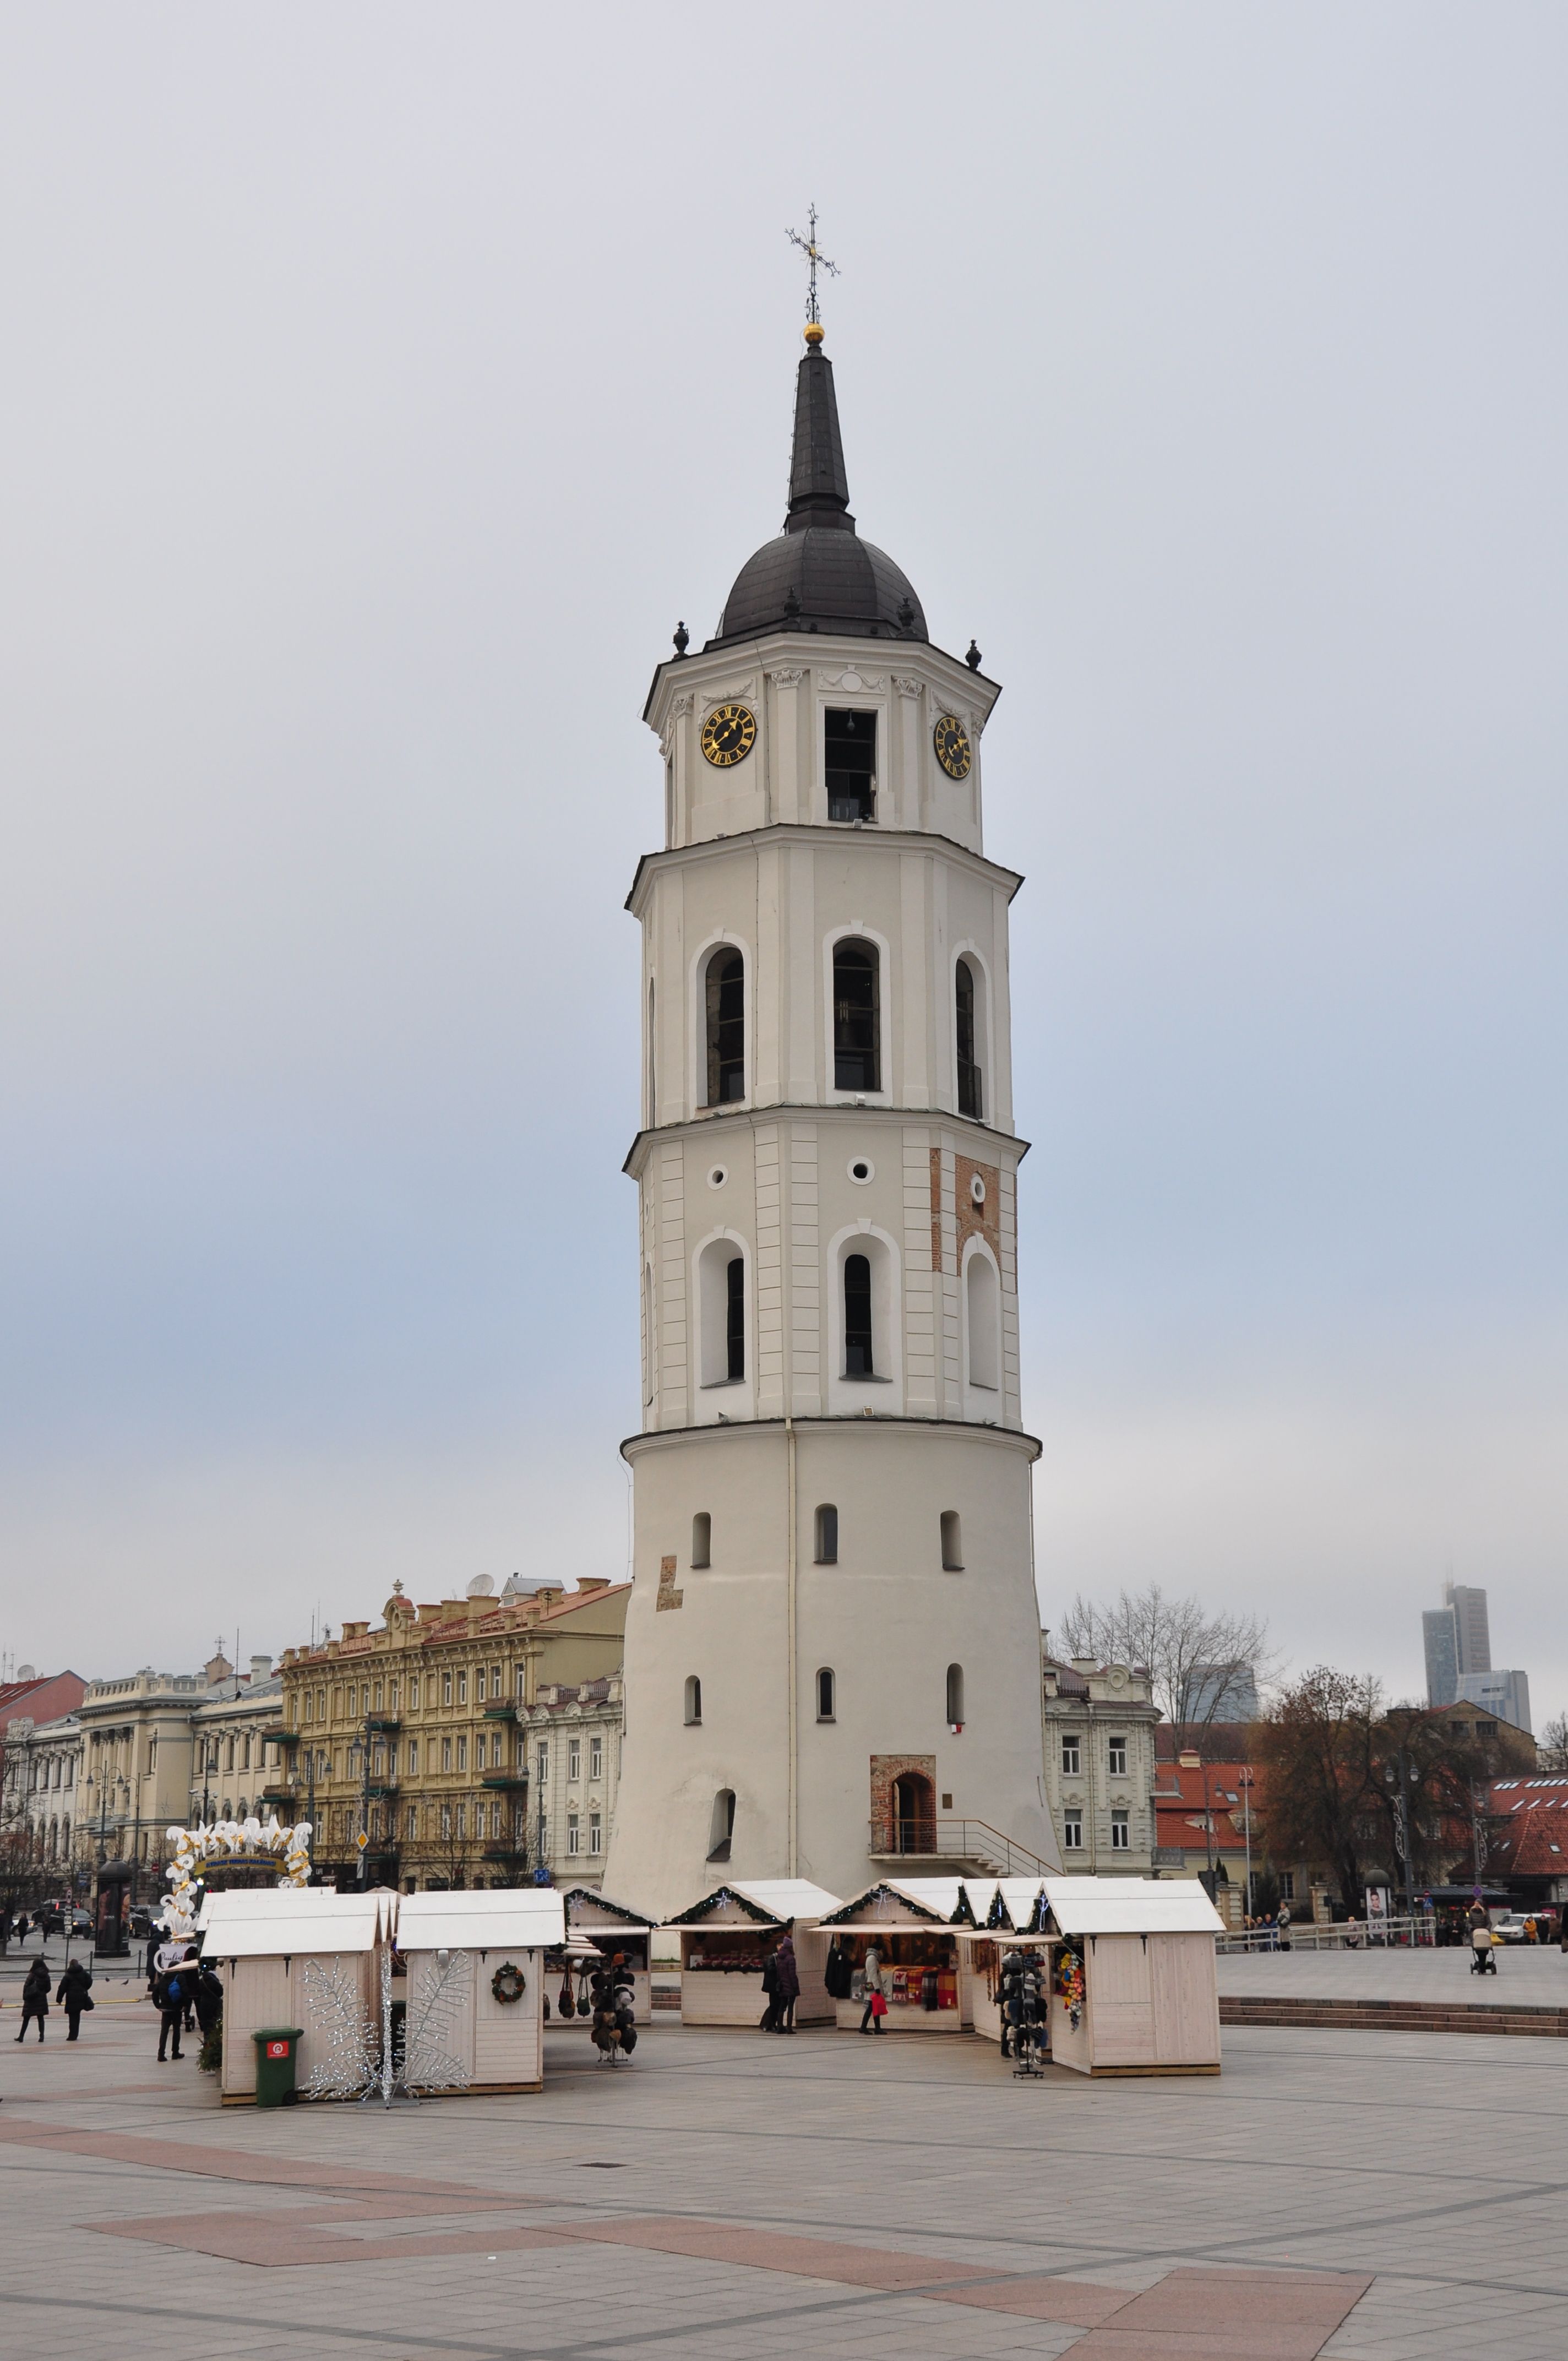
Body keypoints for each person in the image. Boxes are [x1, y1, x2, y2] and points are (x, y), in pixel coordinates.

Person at [154, 1962, 187, 2059]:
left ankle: (161, 2054)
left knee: (164, 2031)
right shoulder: (180, 1977)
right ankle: (175, 2052)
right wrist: (185, 2005)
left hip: (165, 2009)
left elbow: (155, 1993)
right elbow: (185, 1992)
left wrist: (158, 2005)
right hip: (176, 2008)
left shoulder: (163, 1979)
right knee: (176, 2031)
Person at [56, 1957, 94, 2041]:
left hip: (71, 1999)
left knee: (72, 2017)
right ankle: (75, 2034)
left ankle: (72, 2035)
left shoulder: (68, 1975)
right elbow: (90, 1981)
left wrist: (59, 1999)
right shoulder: (83, 1973)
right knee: (77, 2016)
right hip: (81, 1998)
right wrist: (85, 1988)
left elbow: (62, 1988)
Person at [16, 1956, 50, 2042]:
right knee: (41, 2018)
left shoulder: (32, 1975)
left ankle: (21, 2036)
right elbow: (49, 1988)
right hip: (42, 1999)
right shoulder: (46, 1975)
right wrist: (42, 1993)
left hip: (31, 1999)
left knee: (26, 2019)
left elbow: (26, 1986)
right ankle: (42, 2037)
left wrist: (25, 1996)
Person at [774, 1930, 800, 2033]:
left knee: (782, 2006)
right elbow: (792, 1975)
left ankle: (780, 2026)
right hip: (790, 1986)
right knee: (790, 2007)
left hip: (782, 1986)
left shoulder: (780, 1958)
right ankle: (789, 2028)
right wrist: (795, 1986)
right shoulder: (790, 1958)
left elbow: (779, 1973)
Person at [860, 1943, 885, 2034]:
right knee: (871, 2007)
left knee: (874, 2008)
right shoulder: (872, 1958)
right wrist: (877, 1988)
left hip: (873, 1986)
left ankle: (877, 2028)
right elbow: (873, 1974)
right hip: (873, 1987)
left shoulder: (872, 1958)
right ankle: (864, 2027)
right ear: (878, 1950)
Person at [1467, 1899, 1496, 1975]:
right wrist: (1471, 1928)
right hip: (1475, 1932)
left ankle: (1483, 1964)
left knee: (1485, 1948)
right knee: (1478, 1949)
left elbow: (1489, 1922)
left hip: (1484, 1932)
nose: (1476, 1905)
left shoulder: (1484, 1912)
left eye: (1478, 1904)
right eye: (1475, 1903)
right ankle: (1481, 1964)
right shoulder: (1472, 1912)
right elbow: (1469, 1922)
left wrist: (1487, 1929)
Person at [758, 1945, 780, 2031]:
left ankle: (769, 2024)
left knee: (775, 2005)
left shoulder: (775, 1958)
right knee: (774, 2005)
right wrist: (780, 1968)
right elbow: (770, 1969)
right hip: (773, 1986)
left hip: (774, 1986)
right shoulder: (772, 1958)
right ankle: (770, 2024)